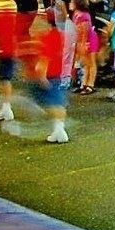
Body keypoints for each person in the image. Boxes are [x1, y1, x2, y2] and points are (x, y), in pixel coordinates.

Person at [26, 11, 69, 143]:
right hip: (63, 73)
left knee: (52, 103)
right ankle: (59, 130)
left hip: (51, 75)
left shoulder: (48, 37)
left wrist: (41, 76)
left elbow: (44, 59)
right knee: (58, 102)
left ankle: (60, 131)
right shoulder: (62, 35)